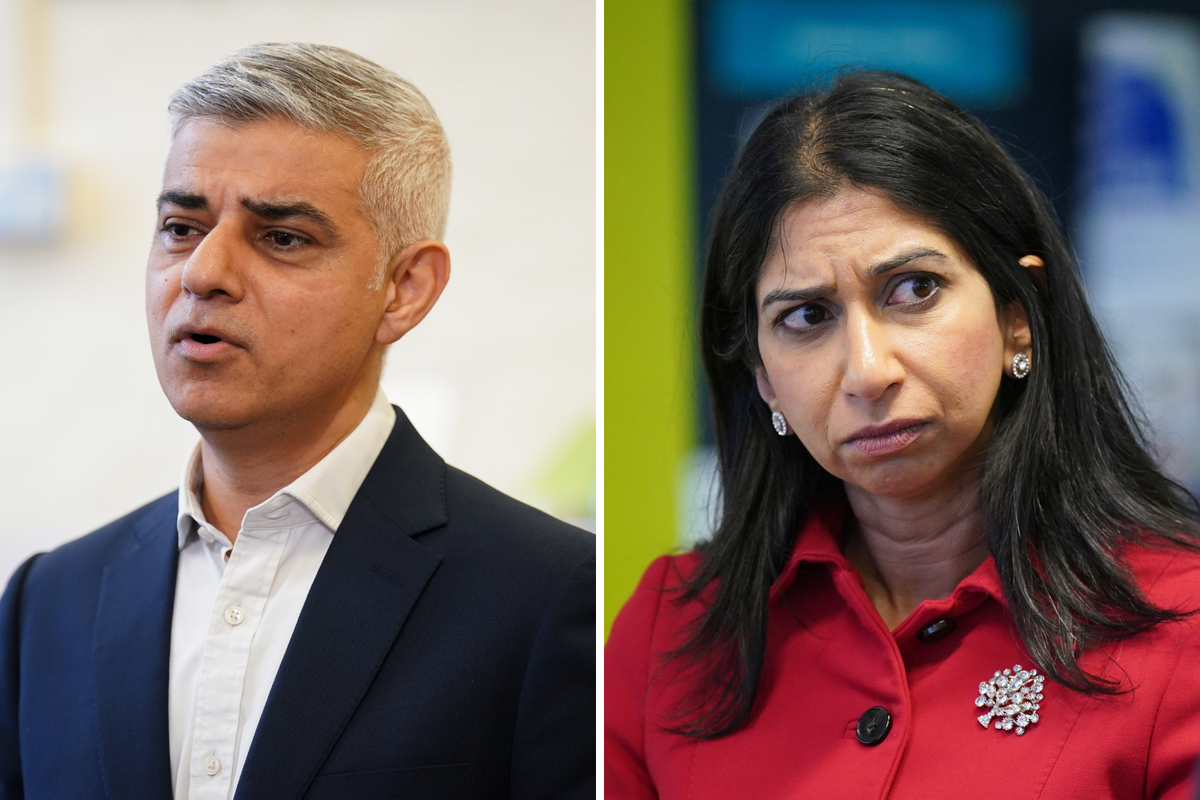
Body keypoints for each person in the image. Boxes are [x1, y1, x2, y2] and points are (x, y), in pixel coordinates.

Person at [0, 43, 594, 800]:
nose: (203, 273)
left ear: (405, 289)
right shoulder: (47, 604)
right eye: (182, 227)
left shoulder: (546, 594)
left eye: (281, 238)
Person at [605, 70, 1200, 799]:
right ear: (762, 375)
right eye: (806, 317)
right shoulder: (673, 630)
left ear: (1021, 312)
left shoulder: (1183, 622)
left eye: (914, 290)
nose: (867, 370)